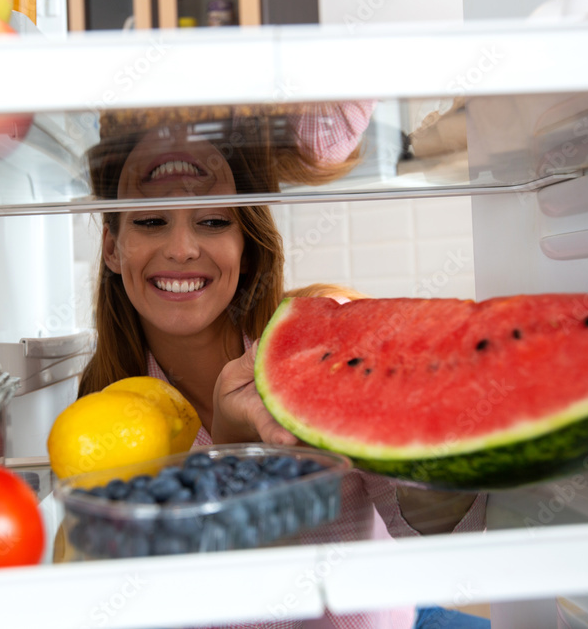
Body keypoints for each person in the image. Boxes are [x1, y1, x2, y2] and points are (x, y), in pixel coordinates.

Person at [77, 104, 489, 629]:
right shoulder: (99, 418)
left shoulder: (328, 342)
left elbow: (447, 544)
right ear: (113, 248)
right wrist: (229, 463)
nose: (181, 250)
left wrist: (404, 431)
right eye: (152, 221)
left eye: (212, 221)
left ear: (245, 247)